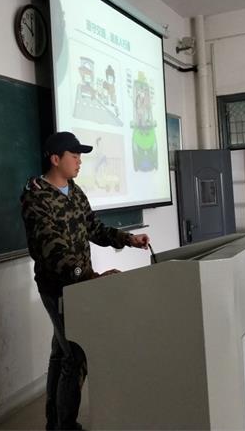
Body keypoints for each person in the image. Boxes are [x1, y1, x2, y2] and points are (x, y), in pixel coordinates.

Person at [20, 131, 150, 430]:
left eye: (80, 157)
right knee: (76, 357)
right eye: (75, 156)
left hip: (81, 287)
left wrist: (128, 239)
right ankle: (65, 425)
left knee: (61, 354)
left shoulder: (75, 191)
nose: (80, 162)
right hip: (57, 287)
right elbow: (52, 249)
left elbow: (93, 227)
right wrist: (92, 277)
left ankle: (55, 423)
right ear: (56, 159)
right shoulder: (36, 196)